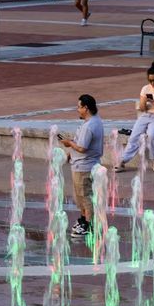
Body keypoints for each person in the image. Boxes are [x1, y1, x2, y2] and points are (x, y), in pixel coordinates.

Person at [116, 61, 154, 173]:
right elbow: (142, 108)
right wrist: (144, 103)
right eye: (150, 80)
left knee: (152, 135)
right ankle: (123, 161)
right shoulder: (145, 88)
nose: (152, 83)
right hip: (146, 116)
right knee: (134, 136)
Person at [59, 94, 104, 238]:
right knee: (81, 196)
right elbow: (80, 145)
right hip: (83, 164)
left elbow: (82, 148)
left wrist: (69, 143)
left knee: (85, 197)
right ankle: (84, 220)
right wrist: (70, 153)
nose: (77, 110)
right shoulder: (95, 121)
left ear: (86, 108)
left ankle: (89, 225)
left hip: (84, 166)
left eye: (79, 107)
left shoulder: (90, 126)